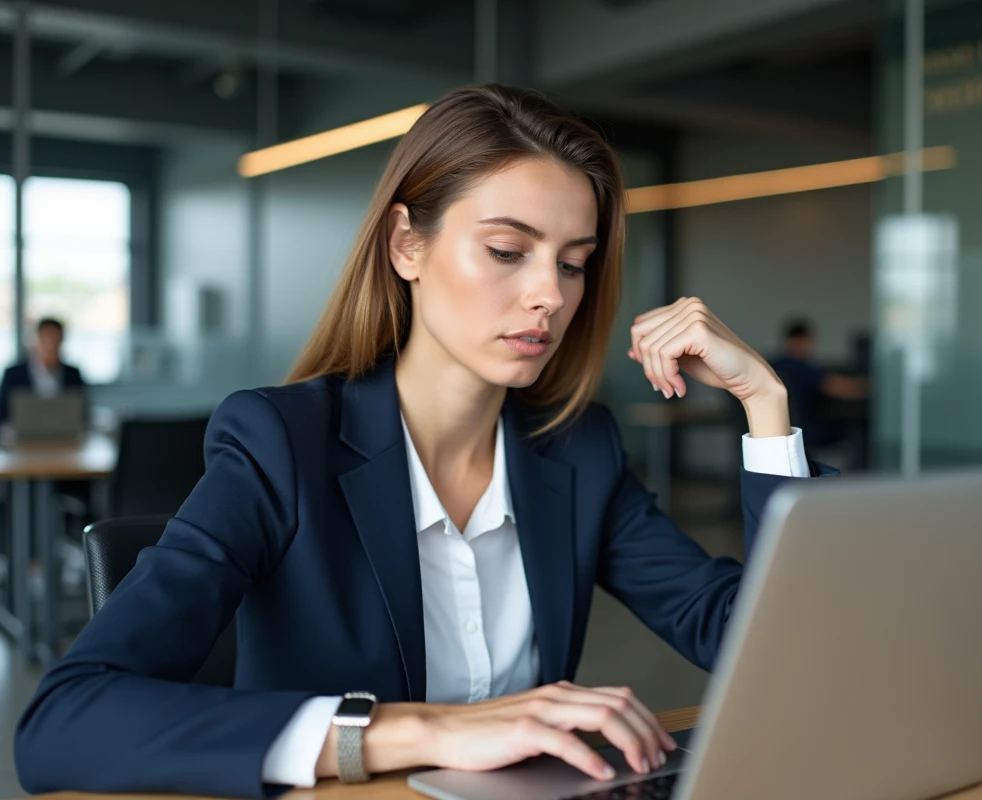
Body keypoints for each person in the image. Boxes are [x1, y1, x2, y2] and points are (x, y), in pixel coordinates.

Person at [15, 85, 835, 798]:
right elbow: (65, 719)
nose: (549, 294)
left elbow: (768, 646)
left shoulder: (575, 448)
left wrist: (765, 405)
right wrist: (428, 732)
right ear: (407, 245)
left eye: (575, 263)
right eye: (508, 251)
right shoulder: (282, 443)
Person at [770, 319, 867, 447]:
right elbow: (840, 388)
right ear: (802, 340)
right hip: (805, 430)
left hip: (778, 431)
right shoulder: (801, 367)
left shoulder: (773, 365)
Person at [0, 317, 87, 424]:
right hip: (21, 437)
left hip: (64, 436)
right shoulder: (13, 374)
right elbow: (3, 413)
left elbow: (83, 413)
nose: (50, 346)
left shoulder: (73, 374)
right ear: (35, 341)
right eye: (46, 340)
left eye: (55, 341)